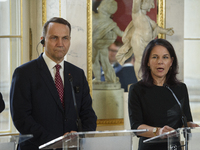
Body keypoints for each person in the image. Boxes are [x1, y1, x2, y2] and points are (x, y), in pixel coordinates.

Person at [10, 17, 97, 150]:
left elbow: (88, 114)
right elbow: (21, 119)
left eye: (65, 38)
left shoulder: (77, 74)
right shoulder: (24, 73)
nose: (60, 43)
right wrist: (55, 142)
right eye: (54, 38)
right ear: (43, 40)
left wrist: (80, 135)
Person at [128, 39, 199, 150]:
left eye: (165, 57)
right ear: (147, 62)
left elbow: (185, 120)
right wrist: (158, 131)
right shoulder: (137, 90)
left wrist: (191, 125)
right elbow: (136, 126)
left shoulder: (180, 89)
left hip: (174, 147)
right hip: (149, 147)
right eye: (155, 57)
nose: (160, 62)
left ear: (171, 62)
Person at [116, 0, 174, 80]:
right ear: (142, 3)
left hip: (148, 42)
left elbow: (156, 27)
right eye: (149, 3)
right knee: (140, 60)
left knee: (148, 60)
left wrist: (166, 31)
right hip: (138, 39)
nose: (152, 6)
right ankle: (140, 80)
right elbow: (136, 3)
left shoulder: (147, 18)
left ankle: (146, 79)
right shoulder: (136, 14)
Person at [92, 0, 123, 83]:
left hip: (100, 46)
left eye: (103, 5)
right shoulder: (93, 17)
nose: (100, 6)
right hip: (94, 45)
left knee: (103, 62)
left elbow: (121, 33)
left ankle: (107, 79)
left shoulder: (110, 23)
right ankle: (98, 79)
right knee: (98, 62)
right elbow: (121, 33)